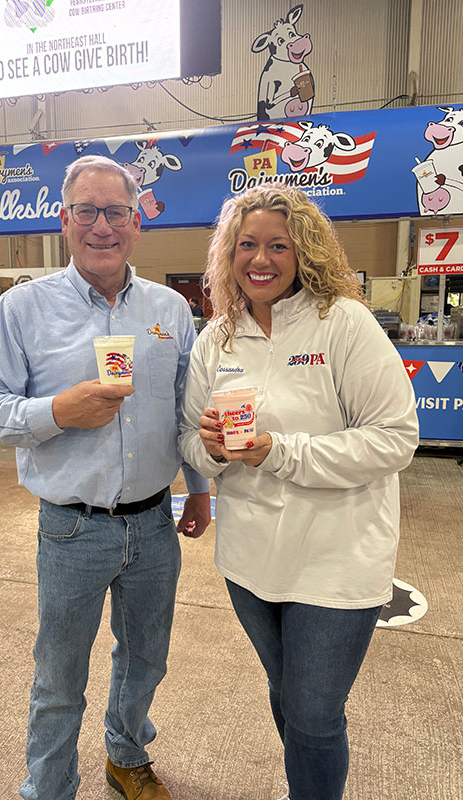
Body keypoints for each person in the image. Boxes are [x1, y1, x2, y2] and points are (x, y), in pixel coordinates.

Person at [0, 154, 211, 800]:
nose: (103, 226)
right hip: (71, 530)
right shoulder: (23, 309)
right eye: (88, 212)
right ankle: (49, 787)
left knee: (146, 659)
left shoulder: (169, 310)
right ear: (64, 219)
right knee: (59, 676)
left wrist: (200, 490)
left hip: (154, 523)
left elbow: (184, 408)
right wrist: (55, 412)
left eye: (117, 212)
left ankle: (126, 755)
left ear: (137, 221)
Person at [178, 185, 418, 800]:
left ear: (303, 251)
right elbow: (188, 438)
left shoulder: (342, 321)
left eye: (277, 246)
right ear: (229, 254)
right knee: (287, 693)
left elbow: (394, 439)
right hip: (251, 561)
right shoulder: (217, 339)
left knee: (314, 714)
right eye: (247, 244)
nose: (261, 259)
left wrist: (280, 452)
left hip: (335, 559)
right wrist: (207, 448)